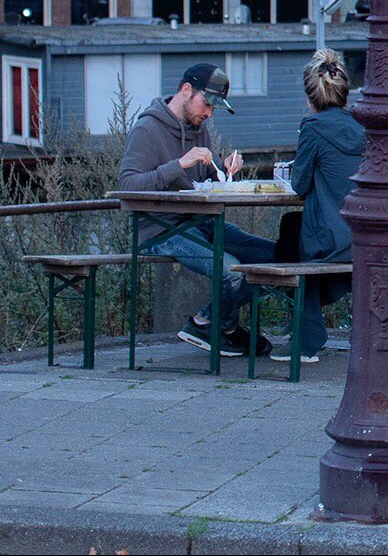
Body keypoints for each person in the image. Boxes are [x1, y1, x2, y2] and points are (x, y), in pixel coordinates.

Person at [116, 62, 276, 357]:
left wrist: (225, 171)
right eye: (207, 104)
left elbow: (209, 178)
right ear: (186, 91)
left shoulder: (199, 129)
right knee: (231, 271)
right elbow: (126, 185)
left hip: (201, 223)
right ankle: (224, 329)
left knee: (281, 258)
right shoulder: (147, 129)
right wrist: (177, 166)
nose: (209, 113)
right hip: (159, 230)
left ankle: (209, 321)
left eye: (215, 108)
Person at [282, 50, 364, 364]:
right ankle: (308, 332)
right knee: (294, 228)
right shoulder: (362, 125)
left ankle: (307, 339)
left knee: (291, 235)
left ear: (309, 95)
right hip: (362, 238)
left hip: (332, 242)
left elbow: (299, 185)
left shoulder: (312, 128)